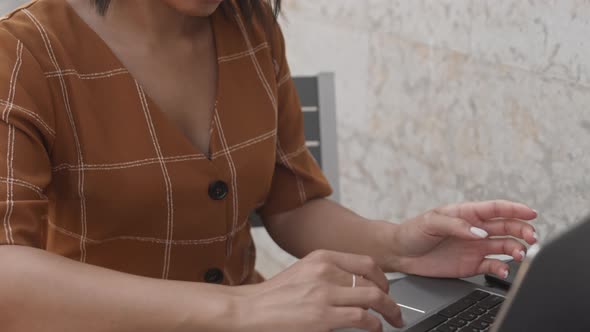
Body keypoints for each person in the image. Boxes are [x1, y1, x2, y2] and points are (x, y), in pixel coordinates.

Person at [0, 0, 538, 331]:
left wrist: (398, 245)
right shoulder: (23, 53)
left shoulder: (249, 25)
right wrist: (244, 310)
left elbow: (292, 201)